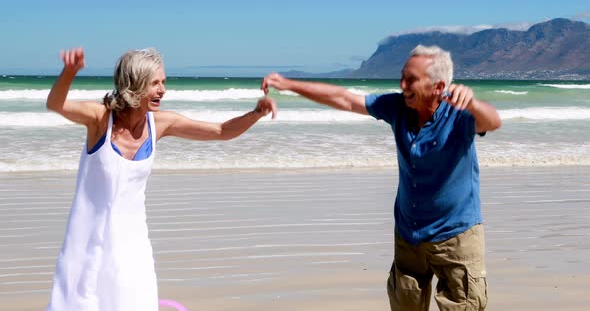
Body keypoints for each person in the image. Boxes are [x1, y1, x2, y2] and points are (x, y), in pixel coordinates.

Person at [261, 45, 501, 310]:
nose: (402, 85)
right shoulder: (397, 107)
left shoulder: (460, 115)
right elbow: (345, 99)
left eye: (411, 79)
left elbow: (492, 122)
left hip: (456, 237)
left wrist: (473, 102)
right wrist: (288, 84)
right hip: (409, 236)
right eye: (402, 77)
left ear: (437, 86)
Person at [45, 47, 276, 311]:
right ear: (135, 84)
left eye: (163, 82)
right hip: (86, 241)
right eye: (155, 83)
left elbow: (220, 131)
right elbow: (55, 104)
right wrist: (70, 72)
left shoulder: (162, 123)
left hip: (131, 242)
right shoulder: (101, 120)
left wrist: (255, 113)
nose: (162, 90)